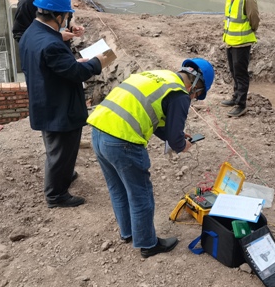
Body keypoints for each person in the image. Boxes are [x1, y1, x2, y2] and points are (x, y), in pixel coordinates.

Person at [87, 58, 215, 258]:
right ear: (196, 85)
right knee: (141, 194)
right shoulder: (180, 94)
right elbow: (175, 141)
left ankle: (128, 233)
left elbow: (154, 119)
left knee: (118, 188)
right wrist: (182, 144)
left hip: (98, 130)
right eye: (197, 95)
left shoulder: (159, 77)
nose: (194, 99)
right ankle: (148, 244)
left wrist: (177, 136)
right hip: (123, 141)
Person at [20, 0, 107, 208]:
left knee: (58, 150)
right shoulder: (51, 44)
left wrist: (70, 61)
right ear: (58, 16)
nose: (67, 19)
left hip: (45, 101)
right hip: (58, 108)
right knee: (61, 151)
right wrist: (99, 60)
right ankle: (56, 195)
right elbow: (77, 73)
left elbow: (55, 66)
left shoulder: (32, 33)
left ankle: (64, 175)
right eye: (66, 15)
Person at [220, 0, 259, 118]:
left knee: (241, 74)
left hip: (242, 43)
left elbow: (254, 19)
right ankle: (236, 97)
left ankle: (241, 104)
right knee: (234, 71)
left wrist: (248, 32)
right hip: (230, 41)